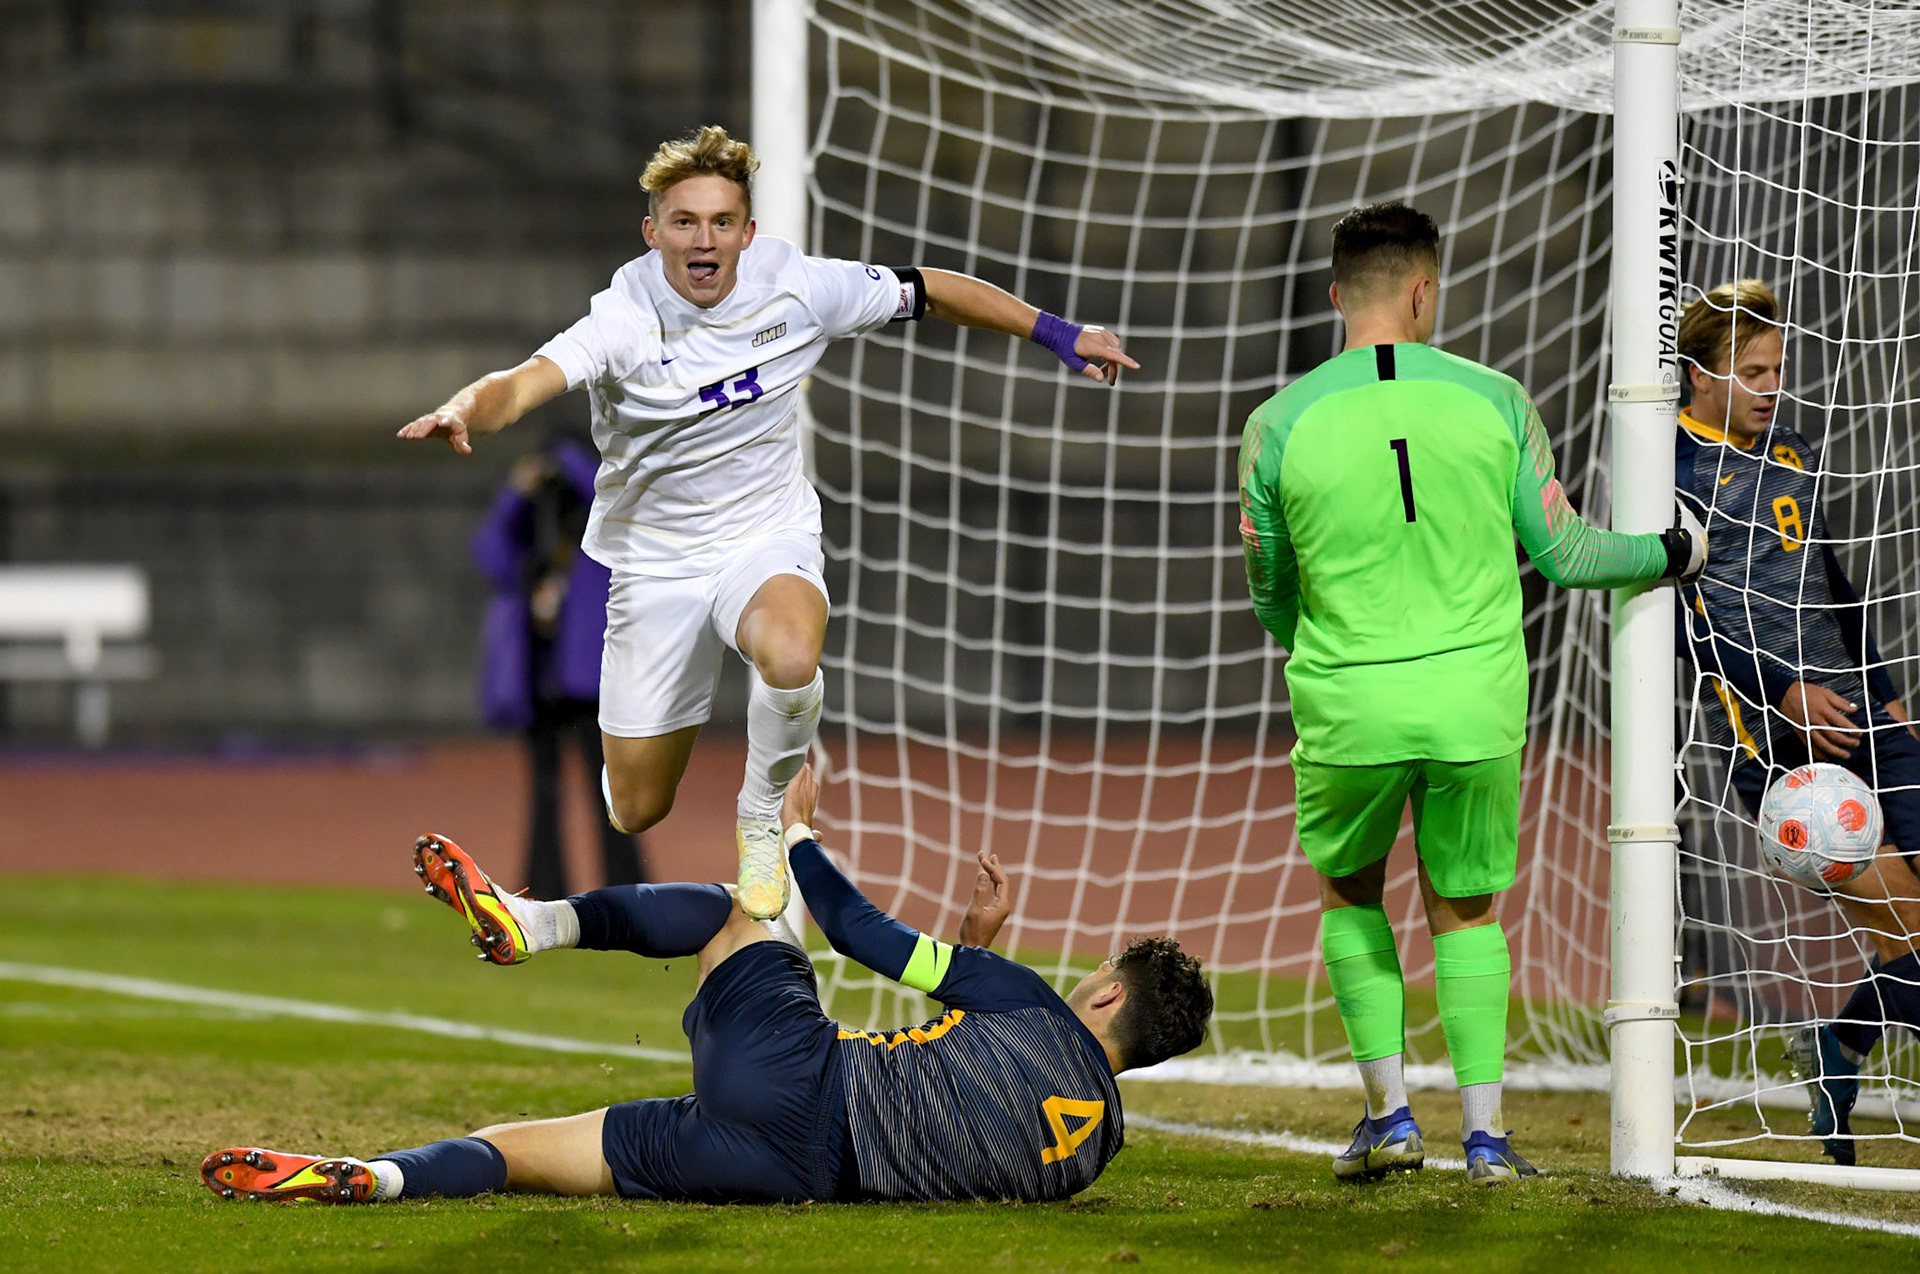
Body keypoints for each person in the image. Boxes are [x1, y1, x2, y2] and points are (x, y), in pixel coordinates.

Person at [398, 125, 1138, 921]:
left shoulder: (797, 285)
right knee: (637, 808)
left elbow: (930, 287)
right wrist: (463, 406)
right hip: (654, 566)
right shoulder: (621, 319)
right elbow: (524, 382)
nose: (704, 239)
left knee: (791, 656)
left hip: (764, 536)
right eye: (684, 222)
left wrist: (1059, 334)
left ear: (748, 233)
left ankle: (761, 819)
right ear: (654, 234)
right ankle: (643, 753)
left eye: (722, 222)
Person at [1236, 201, 1702, 1186]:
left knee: (1351, 890)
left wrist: (1332, 645)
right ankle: (1485, 1139)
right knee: (1468, 909)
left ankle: (1390, 1116)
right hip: (1475, 704)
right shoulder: (1496, 400)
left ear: (1335, 297)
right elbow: (1569, 554)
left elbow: (1270, 590)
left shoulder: (1275, 423)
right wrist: (1672, 548)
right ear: (1422, 291)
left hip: (1349, 702)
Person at [199, 765, 1212, 1206]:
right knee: (523, 1153)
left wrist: (799, 828)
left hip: (801, 1081)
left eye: (1097, 974)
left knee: (747, 902)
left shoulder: (1031, 1000)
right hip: (792, 1171)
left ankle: (532, 923)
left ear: (1109, 995)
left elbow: (856, 933)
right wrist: (973, 949)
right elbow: (953, 1098)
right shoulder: (1093, 1152)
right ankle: (374, 1177)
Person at [1671, 278, 1920, 1167]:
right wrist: (1779, 692)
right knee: (1908, 924)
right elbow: (1683, 623)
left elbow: (1832, 580)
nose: (1773, 385)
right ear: (1700, 376)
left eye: (1778, 368)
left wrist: (1887, 690)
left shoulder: (1794, 451)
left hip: (1859, 710)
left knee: (1909, 934)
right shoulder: (1674, 471)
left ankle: (1840, 1049)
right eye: (1753, 371)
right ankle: (1840, 1050)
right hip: (1776, 745)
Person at [472, 430, 646, 898]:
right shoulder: (532, 527)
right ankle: (545, 891)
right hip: (541, 676)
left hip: (589, 683)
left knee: (611, 795)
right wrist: (516, 492)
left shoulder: (602, 528)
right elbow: (489, 554)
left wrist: (564, 459)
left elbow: (601, 490)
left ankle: (626, 890)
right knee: (544, 795)